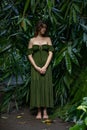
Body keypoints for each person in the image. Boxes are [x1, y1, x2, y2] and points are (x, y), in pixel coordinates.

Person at [28, 20, 54, 119]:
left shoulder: (48, 39)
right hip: (36, 68)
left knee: (46, 87)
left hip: (46, 67)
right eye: (42, 27)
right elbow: (29, 55)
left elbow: (51, 53)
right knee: (37, 87)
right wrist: (36, 67)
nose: (44, 29)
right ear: (38, 28)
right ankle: (39, 111)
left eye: (45, 28)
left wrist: (45, 67)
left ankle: (45, 111)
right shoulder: (32, 40)